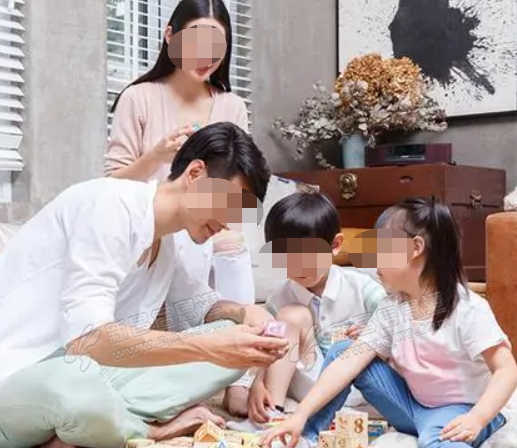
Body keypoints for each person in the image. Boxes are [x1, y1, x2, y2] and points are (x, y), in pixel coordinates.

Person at [0, 122, 289, 448]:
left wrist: (245, 313)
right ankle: (146, 429)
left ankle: (94, 424)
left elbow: (201, 305)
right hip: (20, 376)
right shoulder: (109, 205)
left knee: (238, 341)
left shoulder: (173, 240)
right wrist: (207, 345)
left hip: (94, 372)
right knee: (77, 384)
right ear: (195, 174)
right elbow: (87, 340)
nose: (228, 222)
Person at [261, 197, 517, 448]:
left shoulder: (467, 309)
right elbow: (348, 363)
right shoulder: (391, 307)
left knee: (439, 441)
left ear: (414, 249)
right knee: (344, 352)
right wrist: (300, 415)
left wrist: (478, 418)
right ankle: (308, 434)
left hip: (462, 409)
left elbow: (506, 370)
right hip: (410, 405)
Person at [105, 0, 255, 416]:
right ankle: (199, 362)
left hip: (204, 225)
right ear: (170, 36)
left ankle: (240, 376)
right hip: (151, 222)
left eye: (218, 46)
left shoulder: (231, 106)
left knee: (230, 241)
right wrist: (156, 156)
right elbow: (110, 186)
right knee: (183, 241)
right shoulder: (138, 97)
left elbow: (240, 182)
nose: (207, 56)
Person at [228, 192, 386, 432]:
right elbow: (266, 349)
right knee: (291, 316)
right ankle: (272, 414)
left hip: (359, 385)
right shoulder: (279, 299)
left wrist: (372, 332)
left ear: (335, 245)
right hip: (309, 383)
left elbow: (401, 324)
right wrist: (258, 383)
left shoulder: (362, 287)